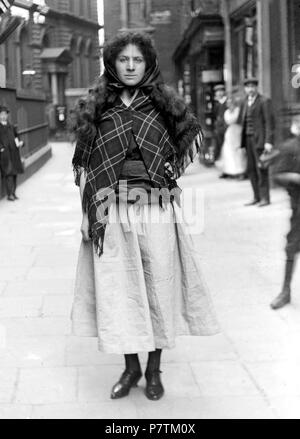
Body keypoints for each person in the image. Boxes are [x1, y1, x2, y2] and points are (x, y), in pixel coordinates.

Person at [71, 32, 219, 401]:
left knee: (158, 288)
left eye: (138, 60)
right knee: (118, 291)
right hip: (111, 213)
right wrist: (88, 215)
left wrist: (167, 174)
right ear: (112, 64)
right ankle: (130, 368)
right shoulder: (97, 107)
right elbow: (87, 164)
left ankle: (154, 370)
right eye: (124, 60)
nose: (131, 66)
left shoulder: (162, 103)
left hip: (155, 211)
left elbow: (190, 137)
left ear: (148, 62)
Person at [270, 115, 300, 310]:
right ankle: (285, 291)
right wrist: (297, 178)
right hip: (299, 210)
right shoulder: (291, 148)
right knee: (292, 247)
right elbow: (277, 175)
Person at [239, 77, 275, 207]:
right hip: (248, 140)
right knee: (251, 169)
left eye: (253, 86)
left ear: (256, 87)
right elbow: (242, 122)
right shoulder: (244, 102)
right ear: (245, 89)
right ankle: (256, 196)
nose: (250, 89)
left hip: (260, 140)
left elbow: (269, 123)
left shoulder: (264, 101)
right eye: (248, 87)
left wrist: (268, 141)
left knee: (262, 169)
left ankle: (265, 198)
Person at [215, 95, 247, 179]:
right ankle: (229, 171)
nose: (229, 104)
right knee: (228, 151)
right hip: (230, 132)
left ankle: (240, 171)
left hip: (237, 131)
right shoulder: (227, 112)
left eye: (230, 102)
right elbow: (228, 121)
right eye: (228, 103)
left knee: (238, 152)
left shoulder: (237, 110)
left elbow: (236, 120)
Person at [0, 105, 24, 201]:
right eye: (1, 114)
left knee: (14, 174)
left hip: (14, 152)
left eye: (5, 114)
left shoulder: (11, 126)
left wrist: (20, 142)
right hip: (4, 154)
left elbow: (17, 136)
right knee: (8, 173)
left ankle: (14, 193)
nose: (3, 116)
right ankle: (9, 194)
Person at [213, 83, 227, 165]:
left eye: (221, 91)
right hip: (218, 128)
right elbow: (215, 116)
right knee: (219, 146)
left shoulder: (226, 102)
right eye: (217, 92)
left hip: (226, 128)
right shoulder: (216, 104)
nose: (219, 93)